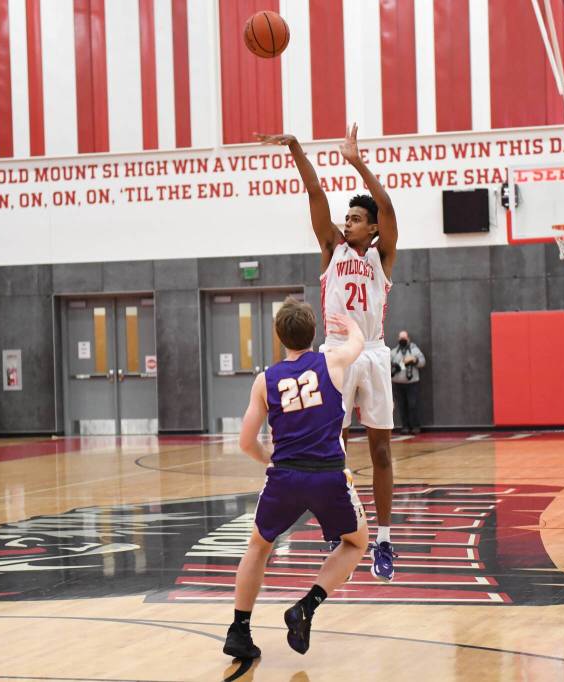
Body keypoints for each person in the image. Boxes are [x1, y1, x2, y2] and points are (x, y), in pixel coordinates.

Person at [257, 123, 398, 582]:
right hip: (336, 354)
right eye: (348, 218)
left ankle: (383, 539)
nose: (348, 222)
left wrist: (357, 162)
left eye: (357, 218)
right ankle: (339, 525)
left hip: (373, 353)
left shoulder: (383, 256)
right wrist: (296, 147)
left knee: (380, 452)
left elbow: (389, 207)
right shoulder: (331, 249)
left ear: (372, 228)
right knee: (327, 446)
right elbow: (313, 189)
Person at [224, 299, 368, 660]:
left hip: (285, 477)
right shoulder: (331, 362)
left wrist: (269, 459)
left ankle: (239, 629)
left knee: (259, 546)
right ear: (314, 333)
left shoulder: (265, 379)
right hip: (327, 476)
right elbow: (358, 344)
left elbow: (245, 442)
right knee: (355, 543)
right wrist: (350, 324)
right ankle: (306, 606)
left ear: (278, 336)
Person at [391, 331, 426, 435]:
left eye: (404, 338)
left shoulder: (415, 350)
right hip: (397, 383)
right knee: (401, 406)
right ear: (398, 339)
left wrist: (414, 360)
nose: (402, 340)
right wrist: (394, 366)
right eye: (401, 338)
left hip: (412, 383)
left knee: (413, 405)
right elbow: (386, 366)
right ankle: (405, 426)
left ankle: (415, 426)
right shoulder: (393, 352)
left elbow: (423, 362)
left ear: (408, 339)